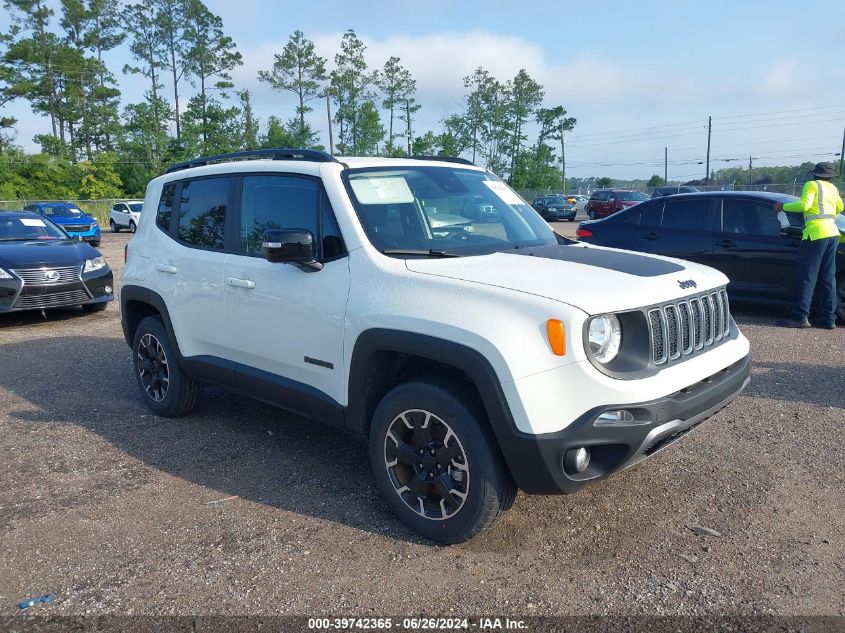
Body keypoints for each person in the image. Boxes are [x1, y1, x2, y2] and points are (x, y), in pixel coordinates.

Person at [773, 162, 843, 328]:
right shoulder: (833, 189)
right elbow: (840, 207)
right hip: (832, 234)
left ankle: (800, 316)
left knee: (808, 277)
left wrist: (782, 206)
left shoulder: (811, 185)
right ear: (830, 177)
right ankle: (829, 319)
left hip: (815, 235)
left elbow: (804, 205)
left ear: (814, 174)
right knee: (828, 278)